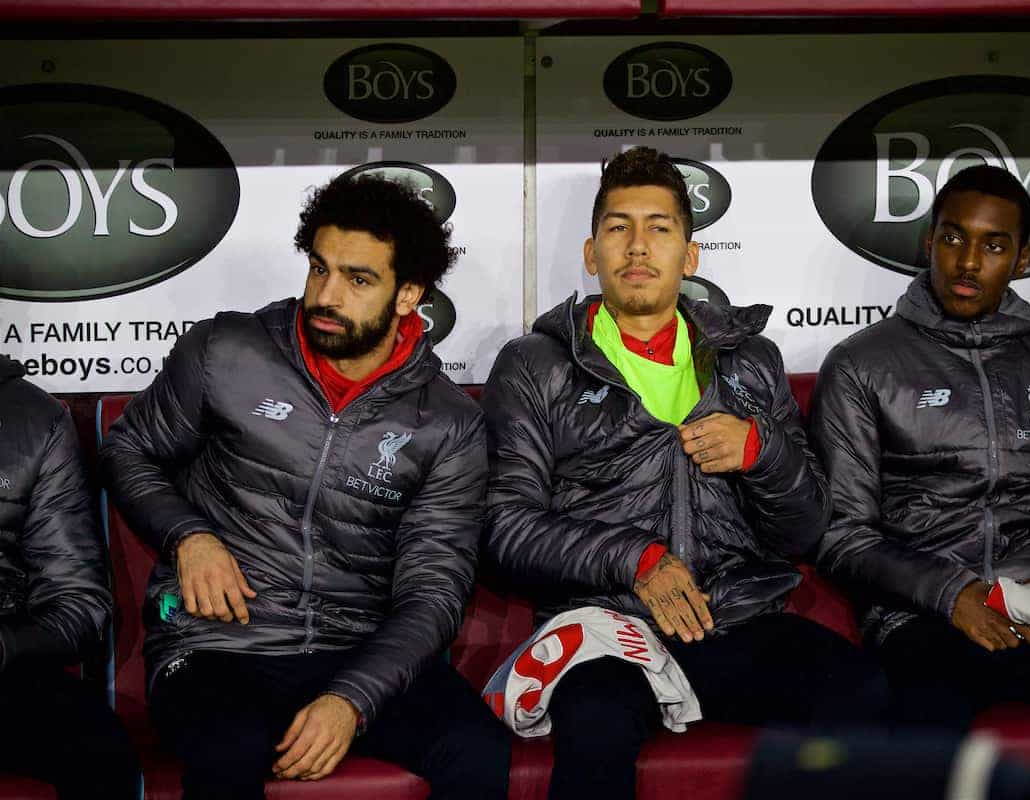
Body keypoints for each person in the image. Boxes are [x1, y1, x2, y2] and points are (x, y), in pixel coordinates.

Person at [483, 146, 887, 800]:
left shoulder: (750, 361)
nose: (637, 246)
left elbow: (809, 528)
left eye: (659, 228)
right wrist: (635, 559)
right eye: (618, 228)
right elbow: (505, 527)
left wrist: (764, 453)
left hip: (738, 617)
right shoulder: (536, 363)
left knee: (860, 692)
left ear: (690, 256)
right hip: (607, 626)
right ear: (592, 255)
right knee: (597, 727)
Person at [100, 174, 509, 800]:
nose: (326, 294)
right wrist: (188, 537)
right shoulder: (225, 349)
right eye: (319, 269)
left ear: (408, 296)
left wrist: (351, 698)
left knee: (478, 753)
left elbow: (432, 593)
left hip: (358, 646)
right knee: (227, 751)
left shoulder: (447, 422)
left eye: (358, 279)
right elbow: (128, 449)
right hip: (216, 641)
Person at [810, 164, 1030, 755]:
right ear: (930, 242)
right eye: (953, 238)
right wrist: (952, 593)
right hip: (927, 617)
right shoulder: (860, 365)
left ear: (1022, 259)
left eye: (993, 245)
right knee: (922, 716)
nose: (968, 262)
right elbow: (843, 536)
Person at [0, 355, 138, 799]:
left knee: (101, 753)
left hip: (6, 660)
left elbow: (79, 602)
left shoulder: (34, 420)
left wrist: (5, 644)